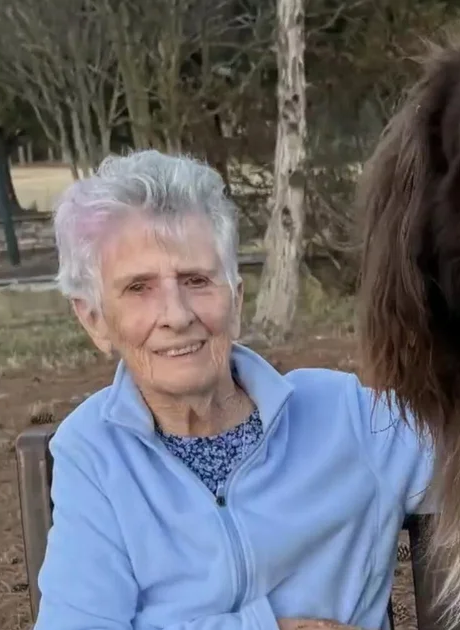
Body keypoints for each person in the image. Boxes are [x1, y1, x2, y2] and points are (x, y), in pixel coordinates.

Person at [34, 150, 433, 630]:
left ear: (236, 300)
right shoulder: (95, 453)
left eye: (196, 280)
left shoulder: (347, 419)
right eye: (139, 287)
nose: (177, 315)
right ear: (95, 319)